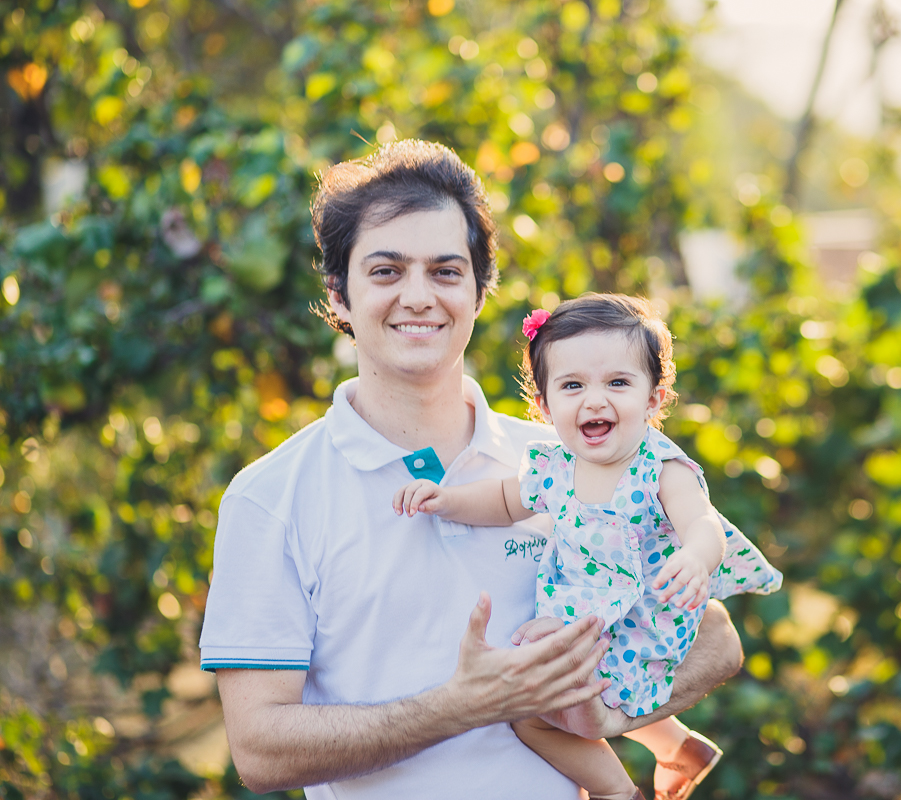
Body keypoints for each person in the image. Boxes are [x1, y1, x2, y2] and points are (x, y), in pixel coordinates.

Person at [197, 139, 746, 799]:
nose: (418, 296)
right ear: (338, 294)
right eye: (386, 271)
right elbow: (259, 752)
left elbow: (714, 636)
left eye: (446, 271)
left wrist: (603, 713)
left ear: (481, 290)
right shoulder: (271, 497)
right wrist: (466, 704)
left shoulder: (565, 460)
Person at [394, 294, 783, 800]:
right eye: (573, 385)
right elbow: (505, 501)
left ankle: (616, 792)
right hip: (588, 614)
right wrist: (447, 500)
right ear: (544, 404)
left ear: (654, 400)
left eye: (618, 383)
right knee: (553, 688)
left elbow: (702, 523)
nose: (594, 400)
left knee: (535, 713)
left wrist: (694, 557)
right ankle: (679, 749)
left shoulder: (659, 469)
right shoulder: (552, 468)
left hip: (643, 616)